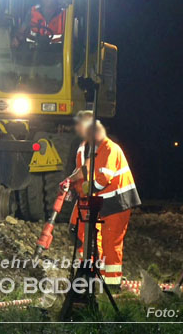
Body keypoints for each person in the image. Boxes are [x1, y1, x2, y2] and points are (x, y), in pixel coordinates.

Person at [59, 110, 141, 286]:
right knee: (87, 237)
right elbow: (84, 169)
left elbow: (103, 179)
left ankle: (112, 285)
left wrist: (85, 190)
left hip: (117, 202)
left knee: (111, 243)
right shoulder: (86, 147)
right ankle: (94, 278)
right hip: (101, 203)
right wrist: (71, 183)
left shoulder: (109, 148)